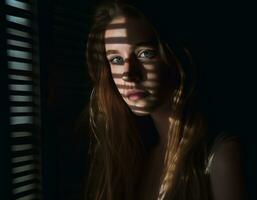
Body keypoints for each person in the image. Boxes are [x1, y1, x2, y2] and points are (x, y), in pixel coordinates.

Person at [84, 1, 246, 200]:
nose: (128, 73)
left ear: (174, 56)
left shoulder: (219, 157)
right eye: (116, 60)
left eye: (145, 54)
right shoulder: (136, 159)